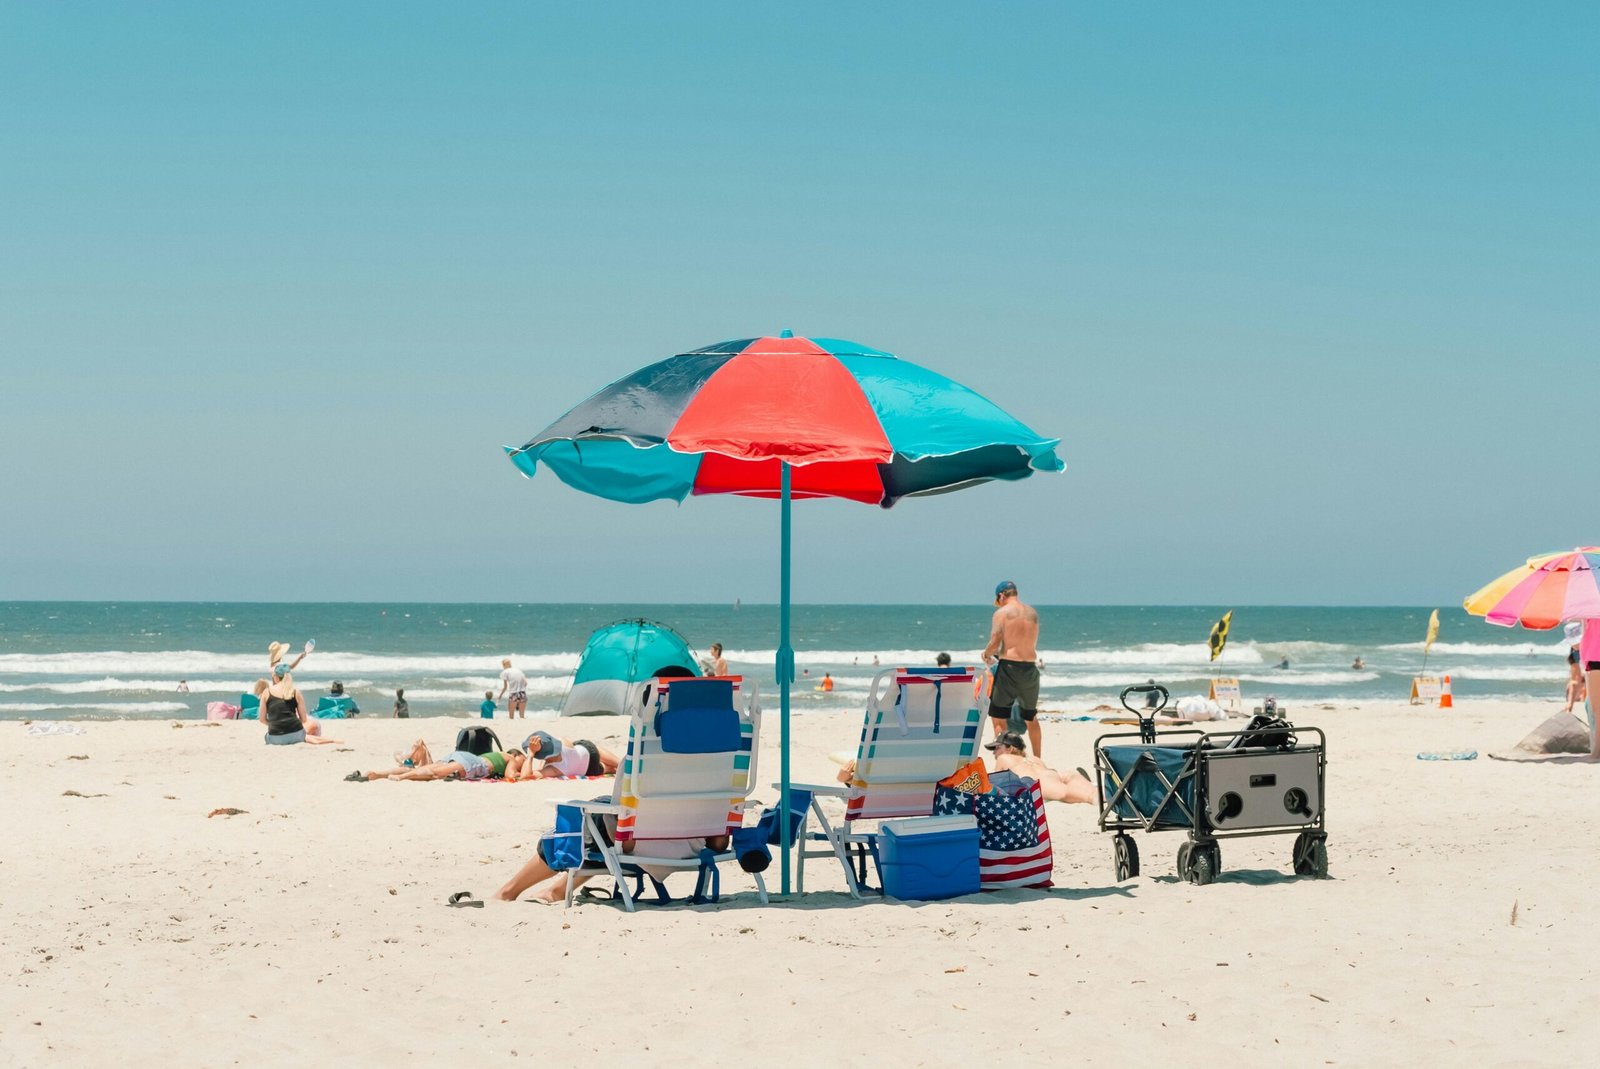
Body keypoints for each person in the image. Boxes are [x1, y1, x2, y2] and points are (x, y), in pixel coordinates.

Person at [981, 580, 1044, 758]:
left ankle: (1005, 758)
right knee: (1030, 717)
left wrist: (986, 654)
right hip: (1030, 668)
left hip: (1009, 668)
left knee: (998, 715)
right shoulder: (1033, 613)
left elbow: (995, 641)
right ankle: (1037, 759)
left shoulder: (1002, 613)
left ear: (1001, 596)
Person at [985, 731, 1094, 804]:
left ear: (1009, 749)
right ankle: (1091, 788)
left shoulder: (1003, 758)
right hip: (1053, 774)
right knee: (1068, 779)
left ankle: (1093, 798)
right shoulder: (1034, 758)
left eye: (997, 748)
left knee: (1063, 793)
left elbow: (996, 784)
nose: (994, 752)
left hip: (1035, 781)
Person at [350, 739, 526, 782]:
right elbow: (512, 776)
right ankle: (402, 777)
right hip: (471, 763)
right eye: (523, 761)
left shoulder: (495, 755)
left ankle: (378, 774)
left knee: (429, 769)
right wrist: (530, 757)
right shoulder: (510, 757)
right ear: (516, 755)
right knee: (433, 773)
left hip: (460, 755)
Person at [261, 665, 340, 746]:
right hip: (296, 735)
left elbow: (262, 720)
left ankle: (330, 740)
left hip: (275, 738)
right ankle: (331, 740)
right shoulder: (295, 692)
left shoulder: (266, 692)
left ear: (276, 677)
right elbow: (304, 720)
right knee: (314, 724)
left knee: (268, 736)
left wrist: (275, 724)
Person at [517, 730, 620, 779]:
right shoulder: (562, 740)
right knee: (620, 764)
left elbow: (525, 778)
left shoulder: (553, 770)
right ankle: (617, 764)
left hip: (590, 768)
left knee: (605, 768)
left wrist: (530, 754)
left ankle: (608, 768)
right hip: (587, 747)